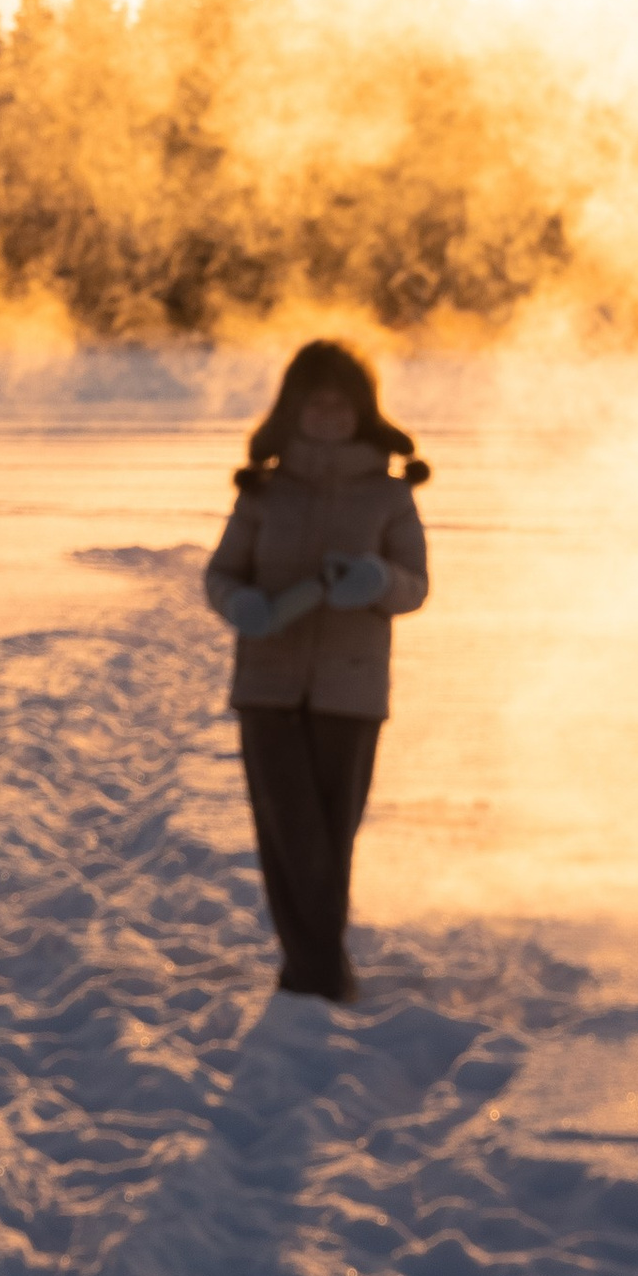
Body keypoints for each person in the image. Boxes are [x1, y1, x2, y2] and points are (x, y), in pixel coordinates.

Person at [203, 338, 430, 1004]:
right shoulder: (264, 494)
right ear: (292, 411)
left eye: (341, 405)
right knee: (288, 837)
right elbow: (221, 574)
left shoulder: (390, 498)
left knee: (329, 842)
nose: (328, 417)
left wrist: (377, 579)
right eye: (315, 404)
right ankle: (321, 978)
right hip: (267, 691)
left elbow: (416, 587)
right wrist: (239, 602)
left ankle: (312, 975)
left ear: (361, 412)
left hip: (351, 692)